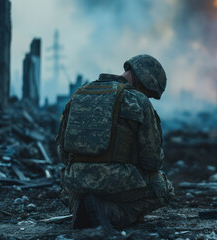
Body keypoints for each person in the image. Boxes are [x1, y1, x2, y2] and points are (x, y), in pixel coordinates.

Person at [55, 54, 174, 229]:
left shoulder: (79, 95)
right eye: (148, 94)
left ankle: (79, 207)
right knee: (164, 188)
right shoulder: (138, 101)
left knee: (68, 186)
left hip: (75, 182)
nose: (147, 98)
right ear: (143, 82)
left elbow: (63, 154)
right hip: (116, 184)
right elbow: (152, 161)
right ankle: (112, 212)